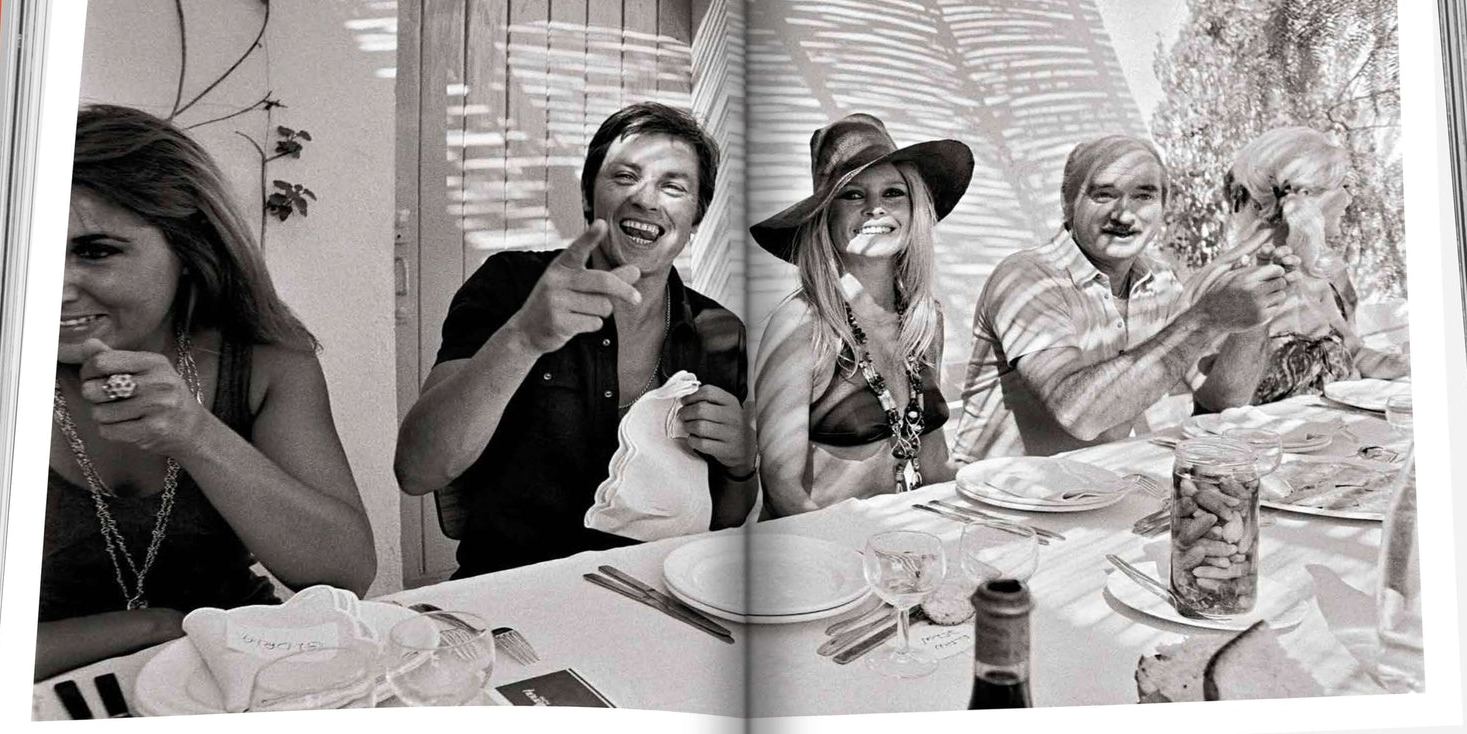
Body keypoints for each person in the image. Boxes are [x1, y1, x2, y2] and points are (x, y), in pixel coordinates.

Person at [38, 106, 375, 680]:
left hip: (238, 670)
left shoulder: (264, 361)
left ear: (188, 248)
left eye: (94, 250)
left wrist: (196, 433)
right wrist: (155, 628)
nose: (48, 282)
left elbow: (343, 573)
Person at [394, 102, 756, 576]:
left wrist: (742, 462)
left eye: (673, 186)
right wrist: (524, 338)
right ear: (589, 197)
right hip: (514, 594)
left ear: (695, 217)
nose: (646, 200)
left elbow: (724, 518)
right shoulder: (511, 285)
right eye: (625, 176)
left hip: (659, 592)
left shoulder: (719, 330)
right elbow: (418, 470)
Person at [952, 135, 1290, 463]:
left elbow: (1223, 399)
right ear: (1068, 203)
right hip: (997, 502)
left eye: (1143, 196)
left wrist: (1257, 309)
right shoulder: (1027, 277)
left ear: (1162, 207)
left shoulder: (1159, 281)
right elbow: (1079, 414)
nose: (1124, 215)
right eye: (1103, 195)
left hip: (1089, 491)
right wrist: (1205, 318)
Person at [750, 114, 974, 517]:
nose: (875, 209)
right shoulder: (802, 324)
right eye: (853, 195)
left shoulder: (926, 321)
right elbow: (781, 487)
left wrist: (988, 496)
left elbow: (935, 461)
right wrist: (848, 555)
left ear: (914, 210)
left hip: (907, 545)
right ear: (825, 213)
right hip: (824, 553)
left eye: (893, 193)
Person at [1216, 125, 1409, 402]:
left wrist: (1403, 365)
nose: (1349, 199)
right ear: (1307, 197)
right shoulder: (1237, 285)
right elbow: (1220, 400)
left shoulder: (1324, 275)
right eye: (1343, 186)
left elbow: (1353, 351)